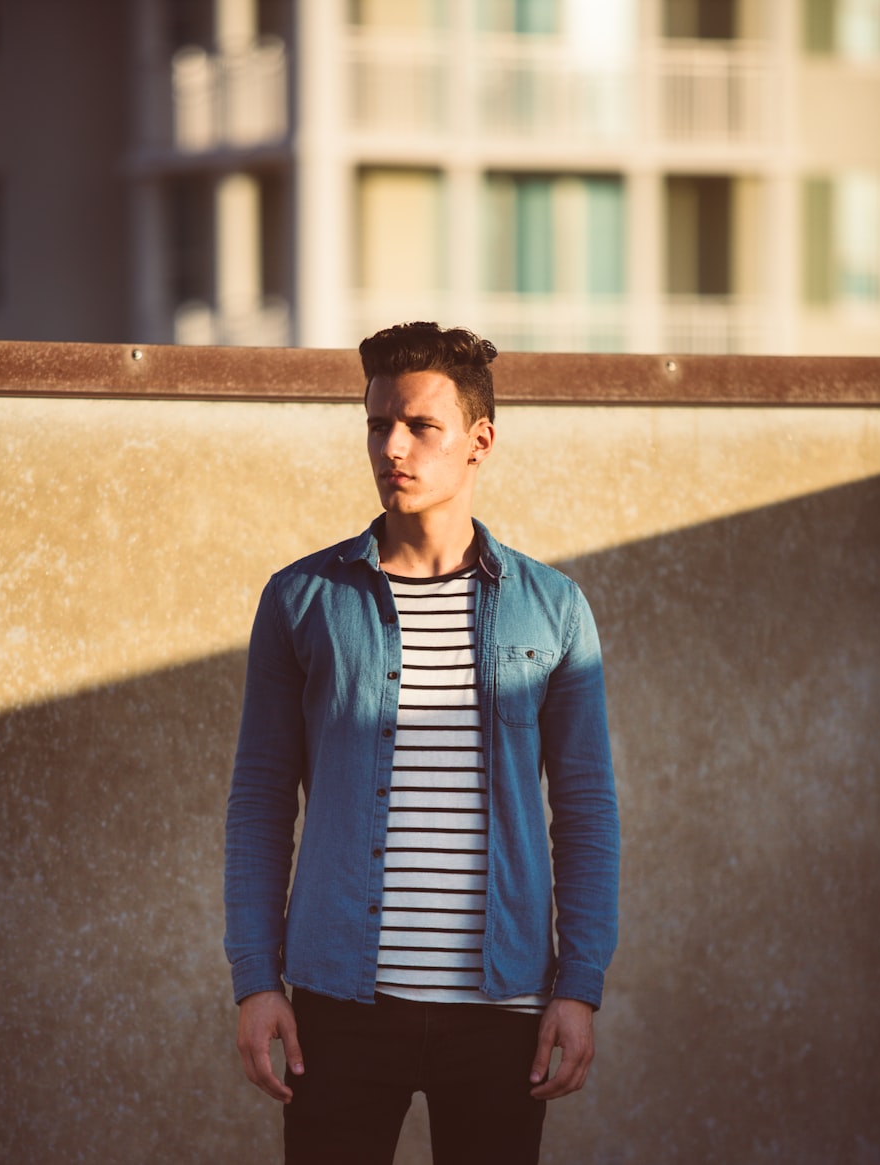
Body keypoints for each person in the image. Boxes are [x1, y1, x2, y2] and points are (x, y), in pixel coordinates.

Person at [224, 321, 620, 1165]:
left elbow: (585, 813)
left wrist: (578, 985)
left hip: (502, 1008)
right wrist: (257, 979)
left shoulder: (553, 610)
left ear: (480, 441)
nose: (391, 446)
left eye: (418, 426)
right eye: (377, 424)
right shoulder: (302, 599)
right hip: (338, 1005)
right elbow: (259, 801)